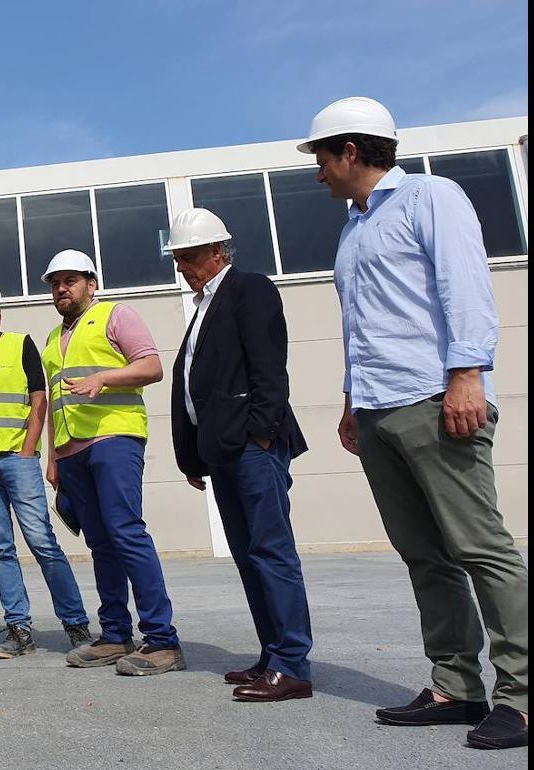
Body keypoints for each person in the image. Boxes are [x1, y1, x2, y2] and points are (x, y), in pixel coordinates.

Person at [303, 96, 527, 749]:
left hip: (436, 398)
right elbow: (360, 325)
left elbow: (466, 285)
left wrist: (467, 375)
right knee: (424, 555)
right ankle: (456, 686)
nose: (317, 173)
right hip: (377, 410)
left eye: (321, 158)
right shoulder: (353, 227)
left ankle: (521, 695)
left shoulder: (432, 197)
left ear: (350, 151)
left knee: (481, 548)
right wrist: (350, 401)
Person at [166, 208, 313, 702]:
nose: (182, 267)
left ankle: (292, 662)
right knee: (250, 556)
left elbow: (270, 366)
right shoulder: (204, 305)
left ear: (216, 252)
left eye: (188, 257)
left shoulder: (248, 288)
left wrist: (263, 435)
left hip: (253, 448)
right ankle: (273, 654)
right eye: (178, 259)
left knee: (271, 550)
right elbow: (195, 388)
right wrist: (193, 455)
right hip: (225, 453)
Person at [40, 249, 184, 676]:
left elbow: (153, 366)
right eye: (55, 282)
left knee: (126, 532)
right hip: (72, 450)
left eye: (70, 280)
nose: (61, 288)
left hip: (114, 437)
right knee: (100, 542)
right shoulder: (52, 339)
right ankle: (116, 634)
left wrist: (103, 378)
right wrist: (53, 457)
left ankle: (162, 640)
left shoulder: (117, 317)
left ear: (91, 284)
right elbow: (54, 399)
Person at [0, 278, 92, 658]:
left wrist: (30, 449)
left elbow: (38, 398)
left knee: (42, 542)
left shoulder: (20, 344)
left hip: (16, 458)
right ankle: (19, 629)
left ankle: (75, 623)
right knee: (0, 549)